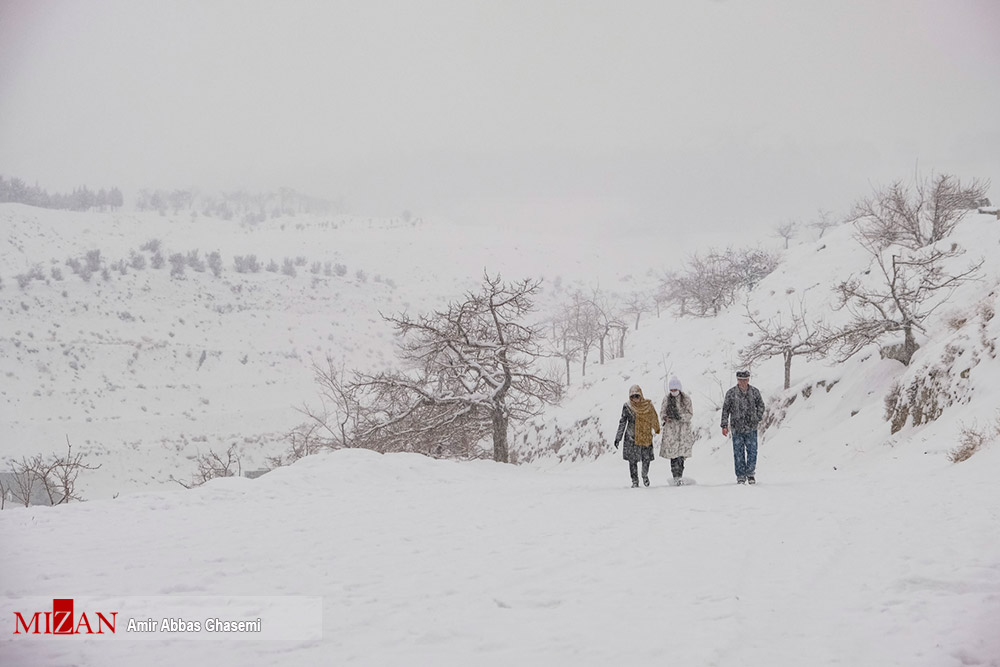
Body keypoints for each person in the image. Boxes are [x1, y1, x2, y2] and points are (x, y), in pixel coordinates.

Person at [720, 370, 766, 484]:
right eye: (741, 380)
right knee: (738, 453)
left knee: (752, 452)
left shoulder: (755, 392)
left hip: (751, 427)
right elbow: (725, 409)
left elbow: (761, 405)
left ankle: (750, 474)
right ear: (737, 380)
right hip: (737, 428)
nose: (743, 382)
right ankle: (740, 476)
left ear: (748, 380)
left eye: (745, 379)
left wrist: (757, 417)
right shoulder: (731, 393)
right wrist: (724, 425)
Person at [614, 384, 660, 487]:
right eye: (633, 396)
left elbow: (654, 417)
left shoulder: (648, 405)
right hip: (631, 438)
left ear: (641, 395)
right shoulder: (627, 407)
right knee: (632, 461)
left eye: (637, 396)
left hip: (645, 435)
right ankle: (634, 480)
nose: (635, 399)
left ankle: (645, 475)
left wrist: (656, 428)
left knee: (646, 459)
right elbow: (622, 422)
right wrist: (618, 438)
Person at [659, 376, 695, 484]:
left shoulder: (686, 399)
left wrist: (680, 417)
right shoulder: (666, 399)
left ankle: (680, 475)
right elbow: (662, 413)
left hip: (683, 431)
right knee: (673, 455)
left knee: (681, 456)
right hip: (671, 432)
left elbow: (690, 414)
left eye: (675, 389)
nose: (673, 392)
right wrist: (666, 417)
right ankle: (675, 476)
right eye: (672, 390)